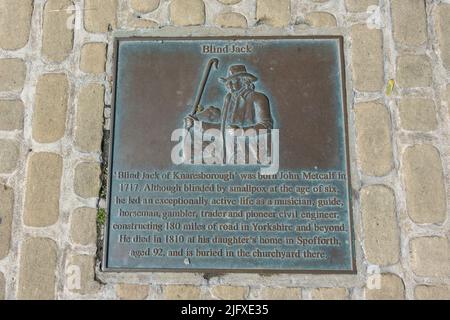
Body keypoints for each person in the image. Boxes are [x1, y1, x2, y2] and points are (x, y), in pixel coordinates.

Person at [184, 65, 273, 133]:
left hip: (251, 149)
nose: (229, 86)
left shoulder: (259, 98)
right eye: (227, 82)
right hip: (228, 150)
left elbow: (267, 126)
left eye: (233, 81)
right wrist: (198, 125)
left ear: (244, 80)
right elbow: (225, 128)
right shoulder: (229, 99)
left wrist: (242, 131)